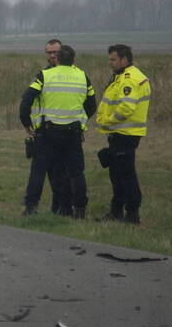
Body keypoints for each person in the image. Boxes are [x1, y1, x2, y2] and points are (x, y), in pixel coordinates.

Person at [19, 44, 96, 218]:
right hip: (73, 133)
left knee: (38, 171)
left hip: (48, 133)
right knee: (76, 172)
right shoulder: (83, 76)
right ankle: (80, 210)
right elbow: (91, 105)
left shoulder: (45, 75)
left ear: (57, 59)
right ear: (74, 60)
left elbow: (26, 100)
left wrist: (27, 124)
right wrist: (80, 122)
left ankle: (31, 208)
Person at [95, 44, 150, 225]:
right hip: (119, 133)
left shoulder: (129, 79)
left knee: (126, 174)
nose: (110, 63)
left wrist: (108, 120)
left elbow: (126, 107)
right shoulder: (121, 76)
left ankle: (132, 215)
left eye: (113, 59)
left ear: (124, 60)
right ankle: (116, 211)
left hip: (126, 133)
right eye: (109, 59)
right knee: (116, 173)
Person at [29, 39, 73, 215]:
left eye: (56, 52)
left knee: (63, 174)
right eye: (49, 52)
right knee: (42, 172)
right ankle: (33, 208)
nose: (52, 55)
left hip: (67, 132)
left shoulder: (74, 74)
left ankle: (62, 208)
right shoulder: (43, 74)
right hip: (44, 132)